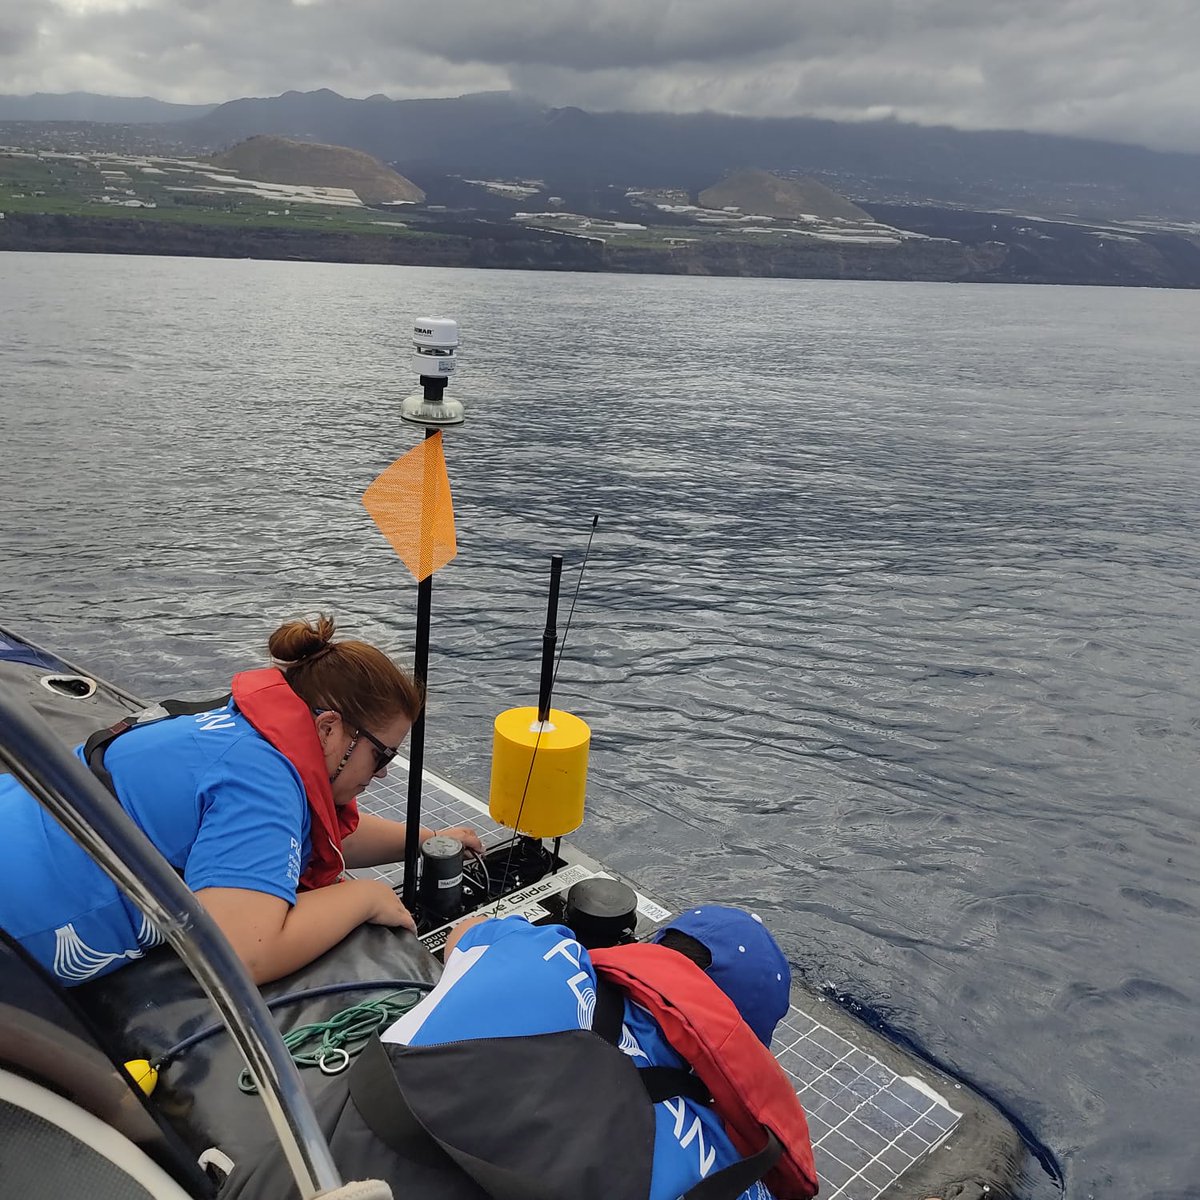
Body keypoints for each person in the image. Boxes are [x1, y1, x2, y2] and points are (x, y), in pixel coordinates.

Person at [0, 614, 481, 987]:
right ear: (331, 728)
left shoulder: (240, 732)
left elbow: (315, 837)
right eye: (382, 756)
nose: (380, 774)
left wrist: (427, 840)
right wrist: (364, 896)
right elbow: (243, 953)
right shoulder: (262, 781)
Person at [372, 905, 818, 1200]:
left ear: (653, 952)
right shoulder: (733, 1174)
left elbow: (461, 936)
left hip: (341, 1161)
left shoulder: (543, 951)